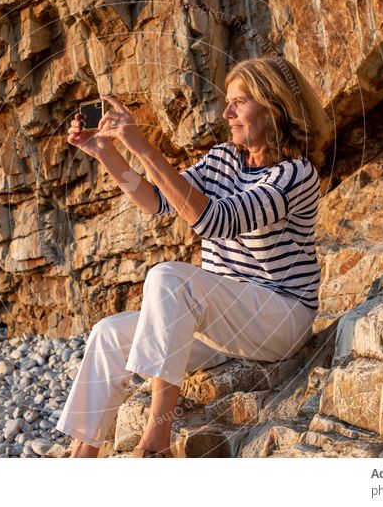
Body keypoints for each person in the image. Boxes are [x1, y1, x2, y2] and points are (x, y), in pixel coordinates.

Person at [56, 55, 330, 458]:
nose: (227, 112)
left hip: (280, 318)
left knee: (168, 277)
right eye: (228, 101)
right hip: (225, 320)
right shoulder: (223, 159)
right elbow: (155, 200)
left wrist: (145, 148)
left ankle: (156, 439)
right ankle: (83, 456)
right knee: (108, 334)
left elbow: (215, 219)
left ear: (274, 106)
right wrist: (105, 153)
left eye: (239, 101)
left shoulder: (295, 175)